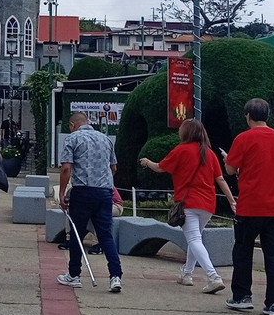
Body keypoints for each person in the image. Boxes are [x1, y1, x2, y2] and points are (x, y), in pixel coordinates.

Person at [139, 118, 236, 294]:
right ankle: (187, 274)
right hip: (208, 204)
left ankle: (213, 276)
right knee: (195, 239)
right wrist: (232, 201)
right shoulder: (209, 153)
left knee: (194, 240)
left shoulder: (181, 150)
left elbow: (160, 167)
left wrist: (147, 162)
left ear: (186, 132)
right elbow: (220, 179)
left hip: (188, 202)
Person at [222, 98, 274, 315]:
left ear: (248, 116)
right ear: (267, 115)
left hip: (250, 205)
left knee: (243, 251)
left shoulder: (243, 138)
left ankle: (242, 297)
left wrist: (228, 161)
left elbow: (230, 169)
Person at [57, 111, 123, 292]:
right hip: (105, 192)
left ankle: (74, 274)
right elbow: (113, 168)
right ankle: (115, 276)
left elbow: (66, 168)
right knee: (106, 235)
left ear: (72, 125)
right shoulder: (105, 139)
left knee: (77, 234)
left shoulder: (72, 138)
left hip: (82, 191)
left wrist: (62, 193)